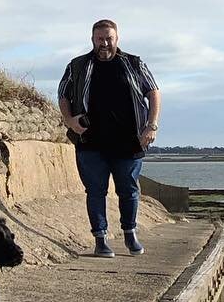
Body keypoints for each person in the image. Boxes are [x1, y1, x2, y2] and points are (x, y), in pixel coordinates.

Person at [57, 20, 160, 257]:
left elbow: (153, 91)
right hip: (90, 142)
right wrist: (70, 120)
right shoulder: (77, 65)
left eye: (109, 38)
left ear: (117, 39)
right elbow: (63, 94)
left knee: (129, 190)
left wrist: (151, 125)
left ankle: (130, 234)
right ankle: (100, 239)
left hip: (129, 141)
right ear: (92, 39)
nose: (104, 43)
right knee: (95, 191)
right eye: (99, 39)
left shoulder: (134, 63)